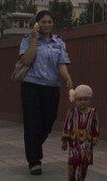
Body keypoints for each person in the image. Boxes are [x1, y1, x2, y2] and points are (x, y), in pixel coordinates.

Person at [19, 10, 74, 176]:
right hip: (31, 86)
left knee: (49, 121)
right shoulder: (28, 39)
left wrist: (68, 79)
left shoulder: (59, 42)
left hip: (51, 87)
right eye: (43, 22)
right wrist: (34, 40)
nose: (46, 25)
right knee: (33, 123)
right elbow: (26, 60)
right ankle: (34, 161)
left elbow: (61, 64)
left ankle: (33, 145)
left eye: (49, 21)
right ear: (37, 23)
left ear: (53, 23)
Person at [61, 84, 99, 181]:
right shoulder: (72, 112)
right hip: (74, 143)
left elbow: (95, 126)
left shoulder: (93, 113)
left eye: (85, 99)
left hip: (87, 144)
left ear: (89, 100)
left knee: (84, 165)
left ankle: (81, 179)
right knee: (72, 165)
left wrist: (95, 137)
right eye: (80, 99)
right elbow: (67, 126)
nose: (82, 102)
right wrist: (65, 140)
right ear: (75, 100)